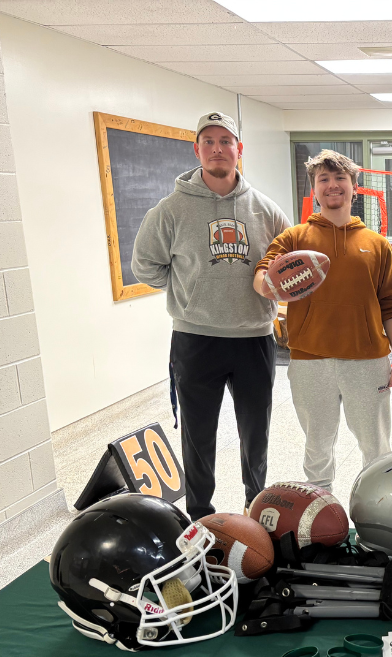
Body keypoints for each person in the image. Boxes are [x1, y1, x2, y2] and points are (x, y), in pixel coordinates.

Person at [132, 111, 290, 521]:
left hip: (254, 338)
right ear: (197, 149)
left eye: (226, 141)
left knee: (256, 434)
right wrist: (190, 290)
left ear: (239, 149)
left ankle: (256, 507)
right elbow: (146, 266)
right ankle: (200, 514)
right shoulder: (170, 210)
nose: (218, 149)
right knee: (198, 435)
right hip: (196, 339)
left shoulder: (265, 209)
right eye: (209, 142)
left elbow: (287, 264)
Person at [255, 150, 392, 491]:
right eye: (323, 179)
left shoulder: (377, 244)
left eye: (340, 178)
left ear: (355, 186)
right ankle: (321, 514)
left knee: (376, 447)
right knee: (318, 446)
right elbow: (263, 273)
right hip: (311, 360)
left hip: (368, 361)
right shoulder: (294, 239)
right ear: (314, 188)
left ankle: (378, 512)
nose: (332, 185)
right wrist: (268, 286)